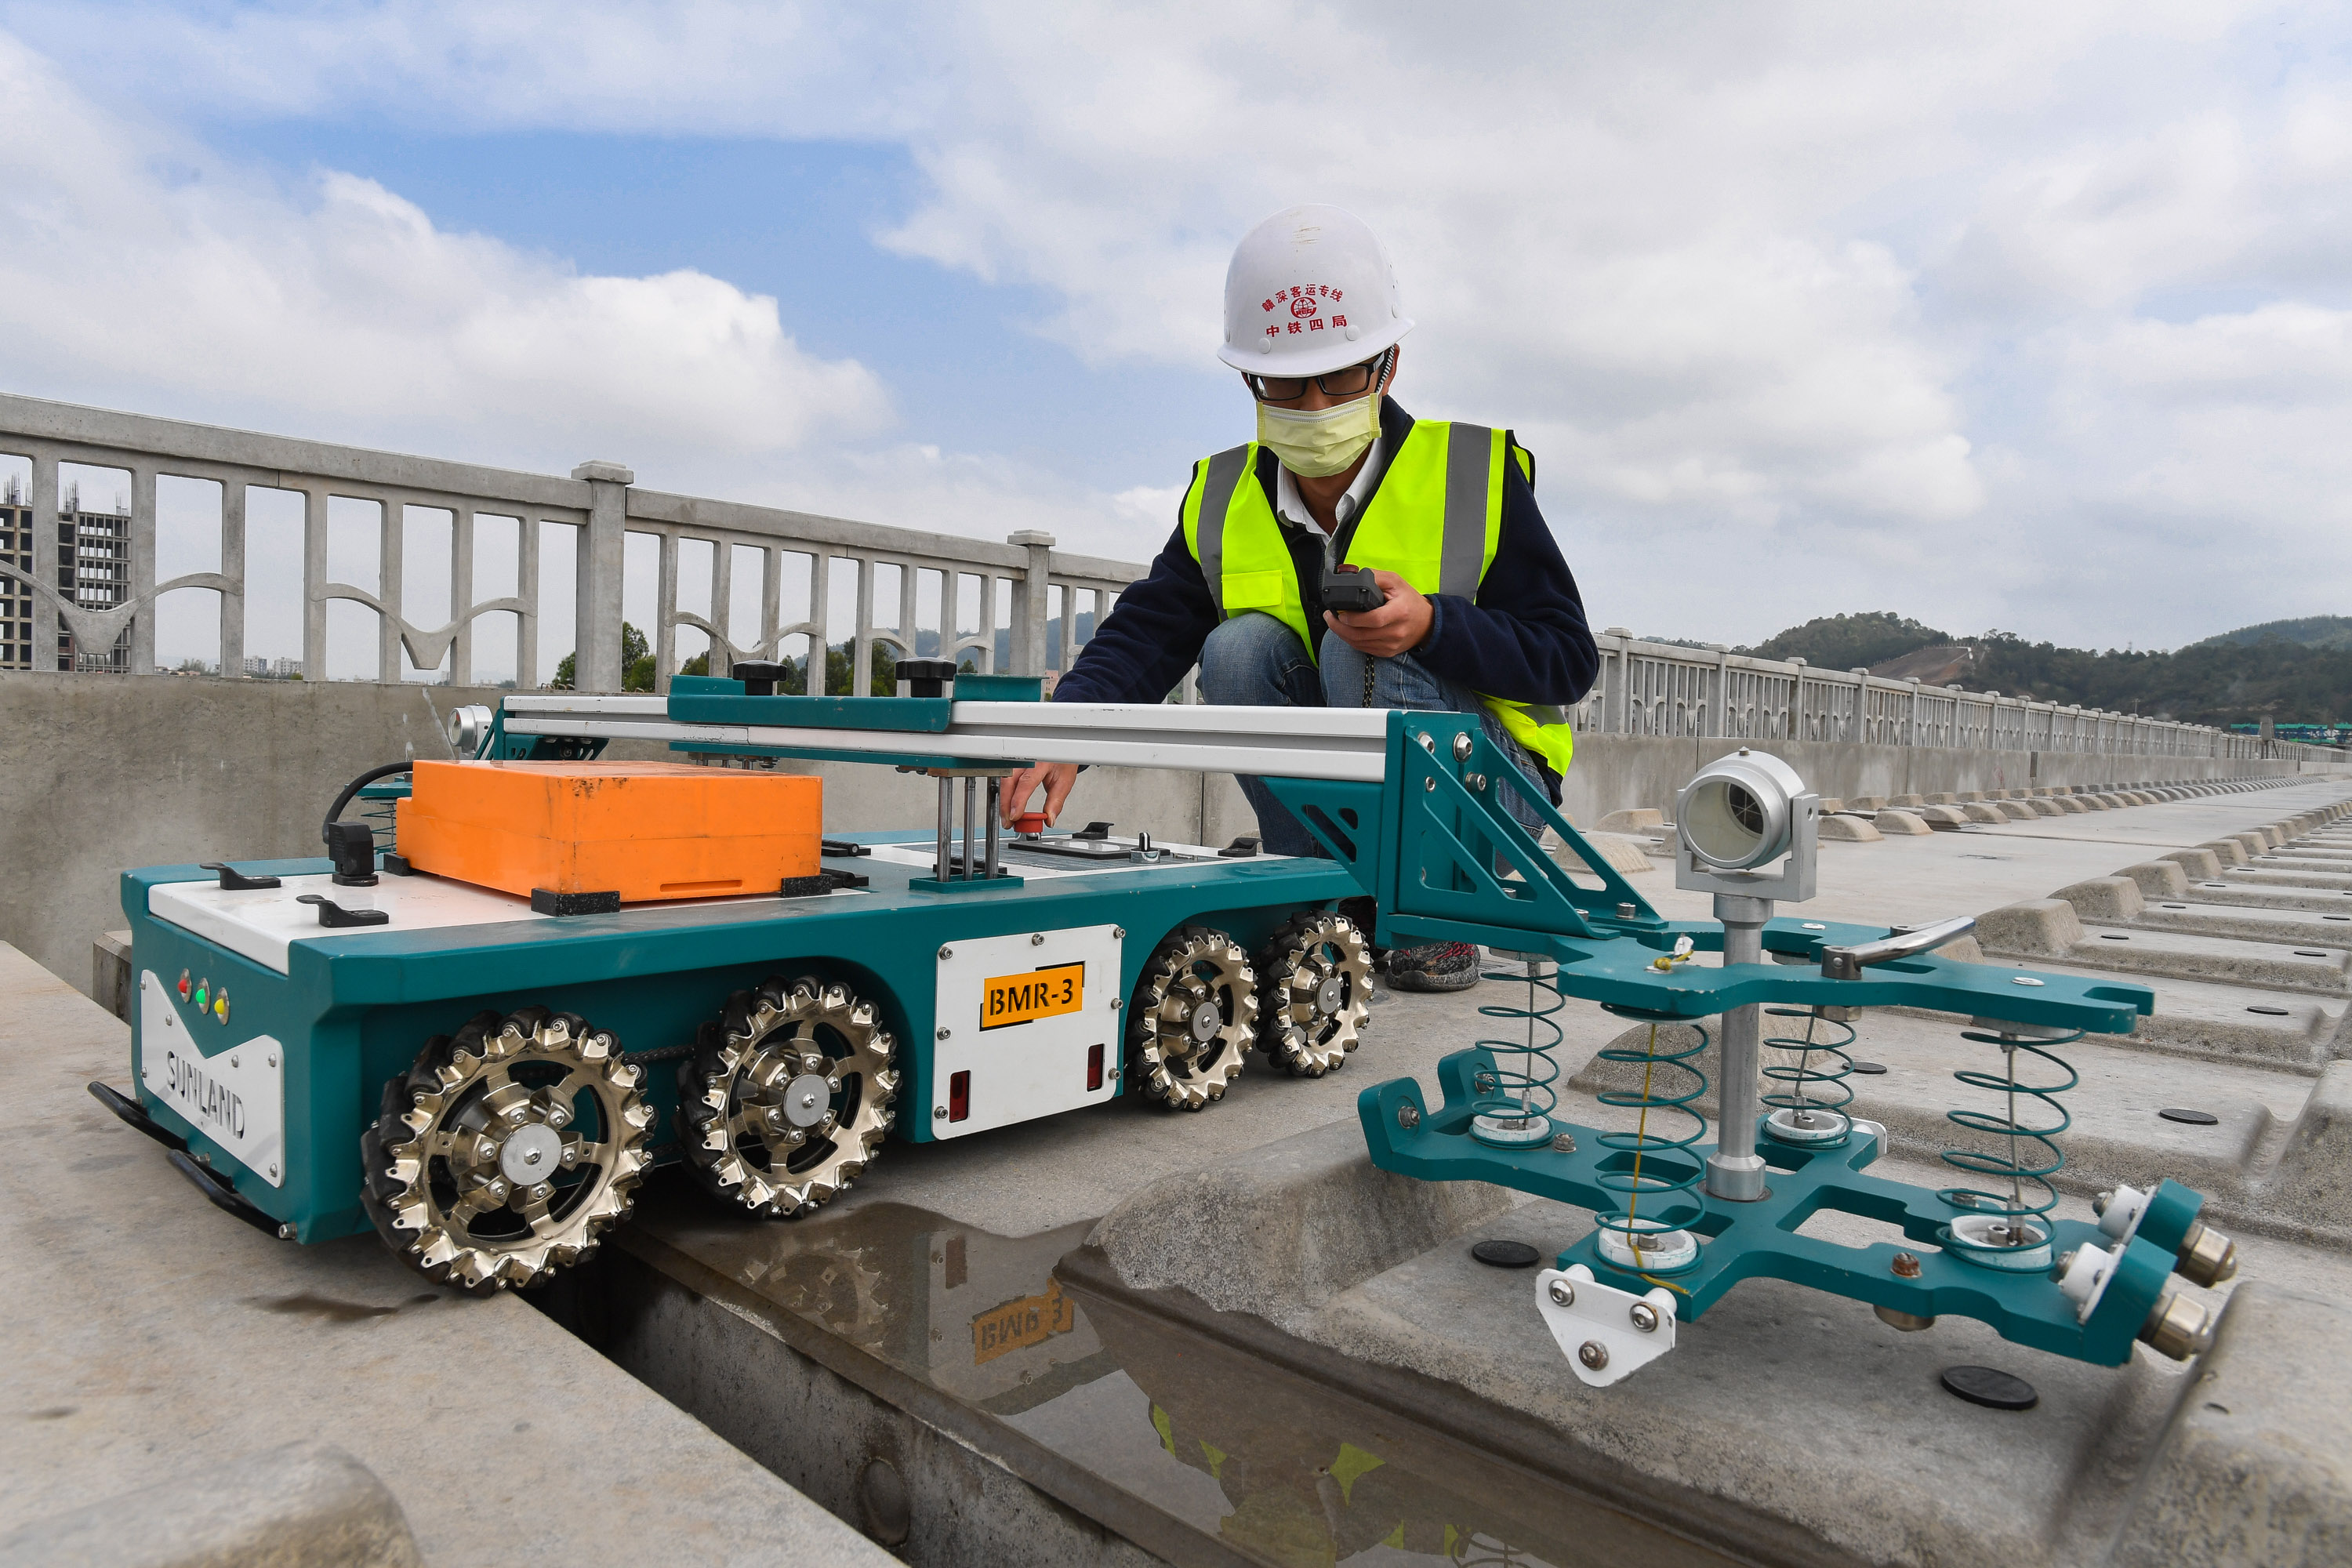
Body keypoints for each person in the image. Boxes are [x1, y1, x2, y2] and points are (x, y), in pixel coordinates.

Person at [1002, 205, 1598, 992]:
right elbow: (1146, 633)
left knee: (1354, 646)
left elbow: (1567, 660)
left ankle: (1438, 911)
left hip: (1496, 799)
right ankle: (1322, 894)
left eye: (1340, 376)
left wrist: (1433, 624)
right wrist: (1062, 733)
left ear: (1386, 364)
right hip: (1353, 800)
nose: (1315, 405)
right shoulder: (1223, 495)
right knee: (1236, 648)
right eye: (1287, 381)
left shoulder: (1473, 473)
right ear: (1250, 378)